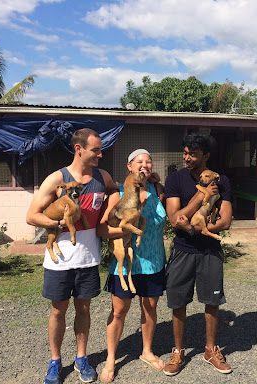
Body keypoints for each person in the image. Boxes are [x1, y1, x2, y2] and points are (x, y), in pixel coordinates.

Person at [26, 128, 119, 384]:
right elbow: (32, 215)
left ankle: (81, 357)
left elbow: (114, 191)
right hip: (60, 260)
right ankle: (55, 361)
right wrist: (57, 226)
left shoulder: (103, 177)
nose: (100, 154)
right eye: (96, 150)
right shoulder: (57, 179)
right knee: (58, 311)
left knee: (84, 309)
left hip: (89, 258)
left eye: (101, 150)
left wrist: (110, 208)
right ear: (79, 149)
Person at [162, 133, 233, 376]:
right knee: (178, 301)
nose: (187, 158)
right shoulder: (175, 180)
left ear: (206, 156)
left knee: (212, 301)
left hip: (210, 251)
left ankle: (211, 349)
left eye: (192, 154)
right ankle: (178, 350)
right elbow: (174, 218)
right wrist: (201, 193)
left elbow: (225, 221)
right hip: (183, 250)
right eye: (185, 153)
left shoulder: (221, 181)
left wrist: (197, 228)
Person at [97, 149, 167, 383]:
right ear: (129, 166)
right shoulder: (118, 193)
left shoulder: (157, 190)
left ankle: (146, 351)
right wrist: (127, 229)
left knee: (150, 308)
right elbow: (102, 229)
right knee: (119, 311)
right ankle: (111, 358)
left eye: (148, 161)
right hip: (125, 265)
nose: (145, 165)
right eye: (139, 161)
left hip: (154, 261)